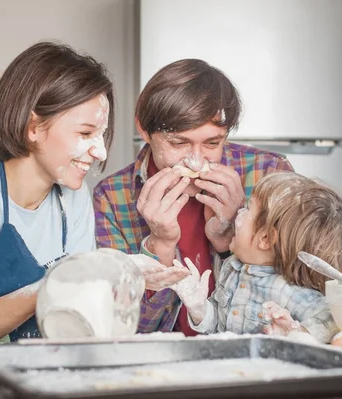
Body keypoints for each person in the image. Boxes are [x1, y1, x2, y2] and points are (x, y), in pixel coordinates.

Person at [0, 40, 186, 399]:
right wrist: (57, 283)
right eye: (85, 134)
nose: (99, 151)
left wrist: (120, 276)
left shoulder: (74, 196)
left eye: (100, 135)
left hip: (21, 376)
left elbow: (76, 319)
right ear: (33, 126)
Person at [93, 59, 294, 336]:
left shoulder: (269, 174)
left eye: (213, 143)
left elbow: (303, 303)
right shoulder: (111, 198)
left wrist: (230, 242)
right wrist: (159, 246)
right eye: (178, 143)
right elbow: (122, 330)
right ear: (144, 130)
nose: (196, 160)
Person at [170, 172, 342, 343]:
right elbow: (218, 325)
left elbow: (336, 320)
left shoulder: (287, 290)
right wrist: (199, 308)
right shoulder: (231, 268)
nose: (239, 212)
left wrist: (295, 333)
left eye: (248, 209)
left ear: (265, 238)